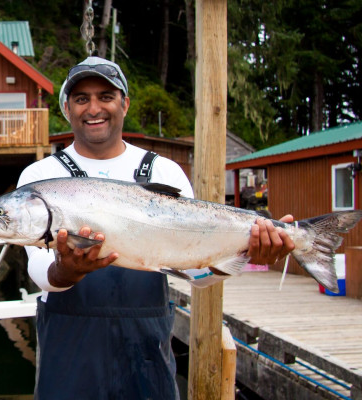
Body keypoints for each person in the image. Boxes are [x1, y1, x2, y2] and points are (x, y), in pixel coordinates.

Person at [18, 56, 295, 400]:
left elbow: (195, 276)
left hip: (147, 349)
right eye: (81, 98)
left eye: (106, 96)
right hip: (70, 348)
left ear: (125, 104)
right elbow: (41, 273)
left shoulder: (165, 172)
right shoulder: (39, 178)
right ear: (66, 107)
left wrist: (247, 252)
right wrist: (67, 270)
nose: (93, 108)